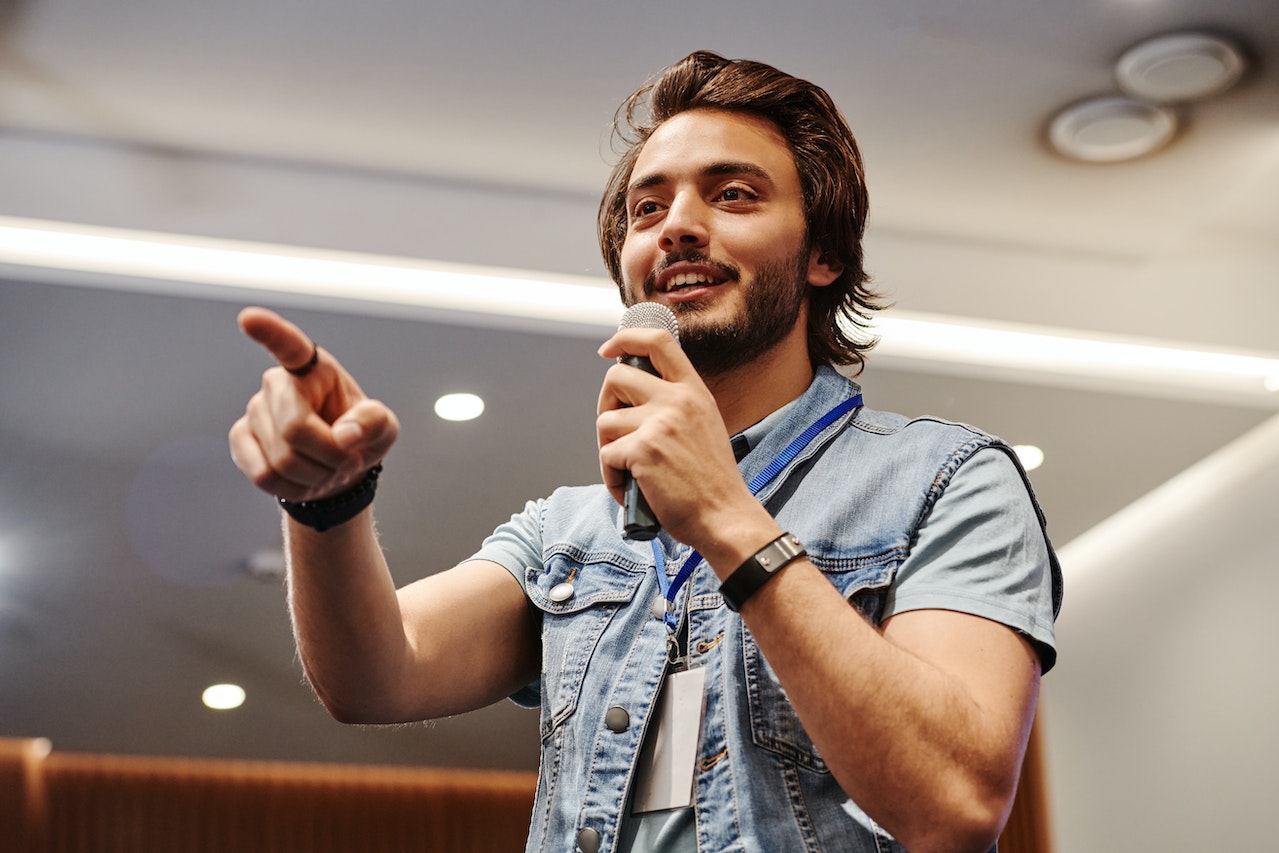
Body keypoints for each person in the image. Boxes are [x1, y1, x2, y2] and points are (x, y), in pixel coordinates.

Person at [229, 51, 1061, 853]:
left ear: (824, 254)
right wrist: (327, 503)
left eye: (732, 195)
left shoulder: (944, 481)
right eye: (647, 209)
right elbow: (376, 676)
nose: (678, 228)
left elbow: (955, 807)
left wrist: (727, 519)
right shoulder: (569, 532)